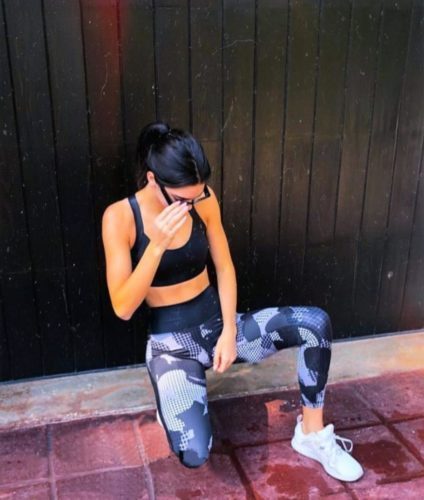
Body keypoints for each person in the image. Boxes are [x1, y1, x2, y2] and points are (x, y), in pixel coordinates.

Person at [101, 121, 364, 481]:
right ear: (152, 179)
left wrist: (228, 331)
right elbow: (123, 307)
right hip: (172, 346)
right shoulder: (120, 217)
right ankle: (171, 395)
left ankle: (312, 434)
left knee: (314, 323)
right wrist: (157, 244)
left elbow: (224, 268)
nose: (190, 205)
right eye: (181, 200)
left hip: (219, 324)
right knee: (194, 454)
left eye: (195, 198)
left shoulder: (203, 199)